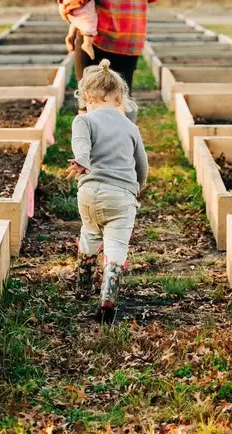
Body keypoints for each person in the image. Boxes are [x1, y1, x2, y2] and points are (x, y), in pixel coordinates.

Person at [66, 59, 148, 325]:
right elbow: (141, 164)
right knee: (116, 244)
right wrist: (138, 186)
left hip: (89, 192)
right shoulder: (131, 127)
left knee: (90, 232)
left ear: (87, 97)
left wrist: (82, 161)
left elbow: (81, 145)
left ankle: (82, 283)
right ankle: (108, 294)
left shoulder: (84, 121)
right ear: (118, 99)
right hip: (121, 197)